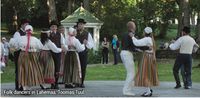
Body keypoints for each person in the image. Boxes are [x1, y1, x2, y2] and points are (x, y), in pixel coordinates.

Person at [9, 25, 44, 91]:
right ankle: (25, 86)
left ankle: (28, 86)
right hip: (24, 55)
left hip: (31, 55)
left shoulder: (34, 39)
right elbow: (15, 46)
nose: (28, 32)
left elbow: (40, 47)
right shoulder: (22, 38)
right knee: (24, 70)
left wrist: (34, 50)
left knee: (31, 70)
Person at [120, 21, 150, 96]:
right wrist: (146, 48)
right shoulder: (131, 35)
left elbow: (130, 46)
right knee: (131, 73)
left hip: (123, 53)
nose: (135, 26)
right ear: (132, 27)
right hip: (127, 54)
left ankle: (128, 89)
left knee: (130, 73)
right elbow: (136, 44)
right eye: (134, 25)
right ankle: (126, 90)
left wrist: (137, 49)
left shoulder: (124, 34)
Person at [131, 27, 159, 97]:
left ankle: (148, 91)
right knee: (148, 74)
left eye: (144, 31)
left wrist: (132, 37)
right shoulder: (150, 39)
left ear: (145, 32)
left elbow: (137, 43)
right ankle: (148, 90)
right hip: (150, 57)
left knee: (145, 74)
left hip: (147, 57)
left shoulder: (147, 39)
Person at [12, 18, 30, 90]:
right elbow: (15, 45)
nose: (27, 26)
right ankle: (18, 86)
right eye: (26, 24)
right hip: (19, 54)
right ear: (22, 25)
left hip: (26, 54)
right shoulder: (17, 33)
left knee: (25, 69)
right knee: (18, 69)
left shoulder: (27, 33)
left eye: (28, 25)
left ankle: (23, 85)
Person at [76, 18, 94, 88]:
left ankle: (82, 82)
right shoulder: (74, 32)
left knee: (83, 67)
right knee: (76, 67)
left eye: (81, 24)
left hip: (84, 53)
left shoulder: (87, 34)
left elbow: (91, 44)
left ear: (83, 25)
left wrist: (87, 43)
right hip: (76, 53)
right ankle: (76, 81)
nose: (80, 26)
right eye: (79, 24)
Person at [49, 20, 65, 89]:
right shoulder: (48, 34)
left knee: (57, 68)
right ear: (50, 27)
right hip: (50, 53)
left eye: (55, 26)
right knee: (51, 68)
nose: (54, 28)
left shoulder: (60, 34)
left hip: (58, 53)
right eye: (52, 27)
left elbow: (62, 43)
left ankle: (56, 83)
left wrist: (63, 47)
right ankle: (51, 83)